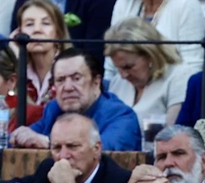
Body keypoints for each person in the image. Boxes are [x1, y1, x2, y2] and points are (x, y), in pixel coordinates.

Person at [15, 47, 143, 151]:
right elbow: (27, 136)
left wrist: (50, 143)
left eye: (76, 79)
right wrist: (19, 136)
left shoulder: (121, 116)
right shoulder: (54, 109)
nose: (68, 87)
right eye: (60, 80)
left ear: (96, 81)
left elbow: (102, 150)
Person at [0, 112, 134, 183]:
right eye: (56, 148)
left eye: (73, 146)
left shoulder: (119, 181)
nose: (63, 156)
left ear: (96, 149)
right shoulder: (49, 169)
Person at [106, 17, 191, 137]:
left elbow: (173, 135)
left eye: (128, 67)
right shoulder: (117, 82)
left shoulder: (179, 77)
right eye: (118, 68)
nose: (123, 75)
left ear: (150, 55)